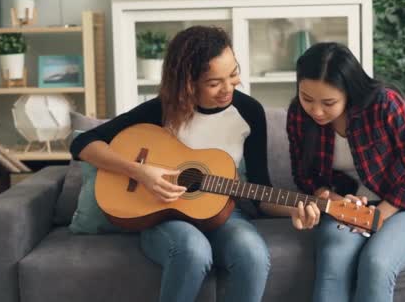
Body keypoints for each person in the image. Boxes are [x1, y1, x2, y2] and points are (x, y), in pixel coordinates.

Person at [70, 26, 271, 302]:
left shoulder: (249, 112)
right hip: (164, 216)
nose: (228, 88)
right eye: (214, 83)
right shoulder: (160, 110)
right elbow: (83, 143)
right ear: (188, 83)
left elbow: (262, 192)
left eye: (234, 73)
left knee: (253, 254)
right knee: (193, 250)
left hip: (223, 215)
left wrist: (304, 208)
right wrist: (140, 171)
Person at [284, 42, 405, 302]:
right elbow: (303, 174)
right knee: (333, 262)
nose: (316, 110)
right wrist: (328, 196)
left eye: (328, 102)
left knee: (377, 264)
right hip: (346, 207)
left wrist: (380, 214)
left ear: (349, 90)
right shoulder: (298, 115)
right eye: (307, 99)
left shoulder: (384, 103)